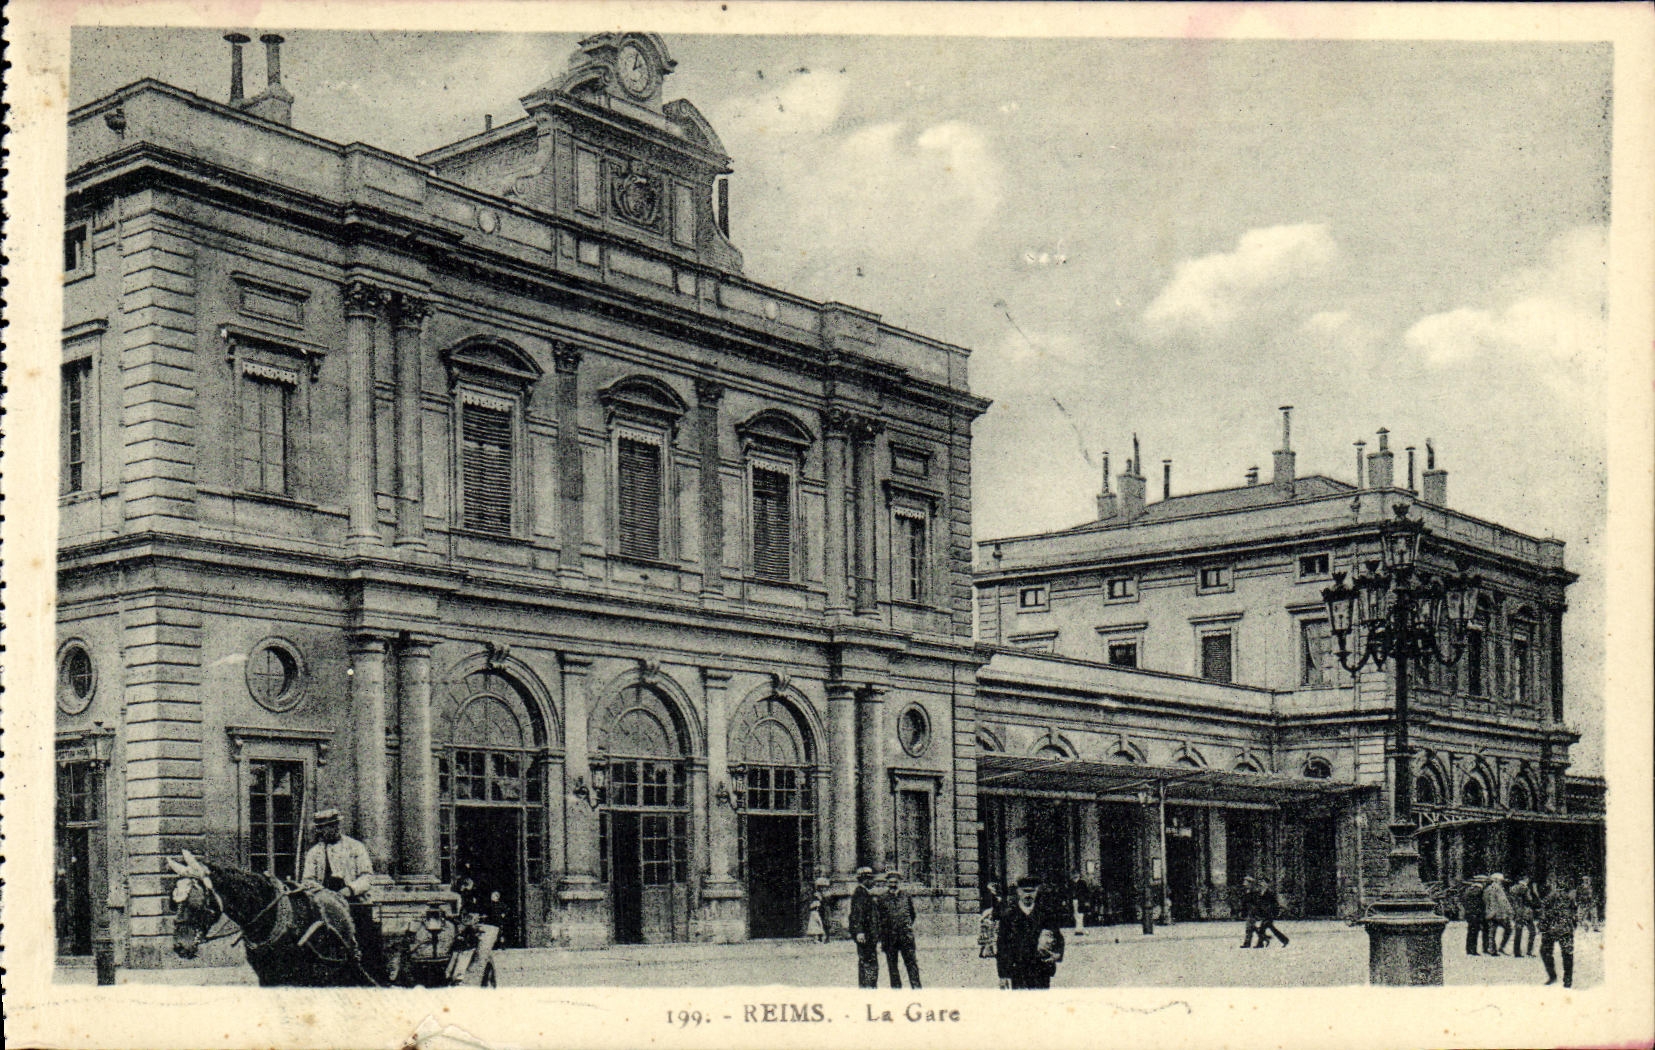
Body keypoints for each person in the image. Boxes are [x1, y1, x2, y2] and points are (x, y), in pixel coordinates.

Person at [301, 808, 381, 971]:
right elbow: (307, 880)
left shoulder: (355, 847)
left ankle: (372, 971)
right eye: (327, 826)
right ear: (320, 830)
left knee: (368, 938)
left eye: (335, 825)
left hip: (354, 902)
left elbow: (367, 877)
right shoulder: (314, 853)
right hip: (325, 903)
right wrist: (323, 893)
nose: (333, 829)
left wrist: (350, 890)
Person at [997, 875, 1064, 989]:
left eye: (1032, 891)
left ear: (1037, 891)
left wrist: (1057, 954)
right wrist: (1002, 975)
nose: (1028, 895)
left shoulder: (1045, 914)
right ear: (1018, 892)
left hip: (1041, 970)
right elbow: (1002, 946)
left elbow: (1058, 937)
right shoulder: (1009, 916)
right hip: (1018, 970)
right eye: (1025, 891)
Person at [877, 871, 922, 988]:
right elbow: (879, 918)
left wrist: (905, 927)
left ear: (899, 883)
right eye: (890, 882)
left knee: (911, 963)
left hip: (905, 936)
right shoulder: (882, 898)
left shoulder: (906, 896)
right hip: (889, 937)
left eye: (895, 882)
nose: (893, 885)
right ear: (887, 883)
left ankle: (916, 987)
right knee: (892, 965)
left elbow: (912, 915)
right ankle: (896, 989)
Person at [1538, 874, 1578, 987]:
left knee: (1549, 951)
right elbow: (1574, 912)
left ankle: (1555, 977)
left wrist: (1542, 925)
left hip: (1554, 927)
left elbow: (1545, 911)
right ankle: (1567, 979)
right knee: (1566, 953)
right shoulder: (1568, 896)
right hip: (1562, 928)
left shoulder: (1554, 895)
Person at [848, 867, 880, 989]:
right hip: (866, 935)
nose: (873, 882)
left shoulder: (864, 892)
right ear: (865, 880)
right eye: (871, 879)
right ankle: (868, 986)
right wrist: (859, 931)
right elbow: (858, 914)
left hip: (868, 934)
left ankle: (866, 985)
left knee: (867, 960)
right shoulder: (861, 893)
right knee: (868, 961)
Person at [1482, 873, 1513, 956]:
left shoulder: (1487, 888)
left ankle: (1492, 949)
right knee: (1508, 929)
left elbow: (1485, 900)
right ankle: (1501, 947)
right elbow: (1503, 901)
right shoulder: (1498, 888)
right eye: (1501, 880)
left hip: (1490, 913)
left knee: (1492, 932)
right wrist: (1509, 910)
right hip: (1499, 913)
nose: (1502, 882)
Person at [1252, 878, 1290, 948]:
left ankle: (1261, 943)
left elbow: (1274, 904)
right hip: (1264, 913)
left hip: (1269, 913)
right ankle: (1284, 940)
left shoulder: (1269, 893)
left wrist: (1274, 912)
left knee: (1263, 928)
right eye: (1261, 882)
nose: (1261, 884)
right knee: (1268, 928)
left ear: (1267, 884)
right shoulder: (1260, 893)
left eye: (1263, 882)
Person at [1509, 876, 1539, 958]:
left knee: (1518, 932)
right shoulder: (1525, 889)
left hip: (1518, 913)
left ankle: (1516, 951)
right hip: (1526, 913)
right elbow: (1530, 900)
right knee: (1532, 931)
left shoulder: (1512, 889)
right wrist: (1535, 893)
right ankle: (1529, 951)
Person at [1238, 876, 1269, 948]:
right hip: (1249, 911)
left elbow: (1256, 902)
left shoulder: (1254, 892)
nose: (1244, 884)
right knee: (1251, 927)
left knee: (1249, 927)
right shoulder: (1246, 891)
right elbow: (1244, 903)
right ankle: (1263, 938)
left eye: (1246, 882)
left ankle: (1247, 943)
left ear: (1250, 883)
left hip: (1253, 911)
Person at [1460, 874, 1487, 956]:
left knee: (1471, 931)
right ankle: (1472, 950)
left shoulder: (1469, 889)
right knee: (1474, 931)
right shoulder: (1478, 890)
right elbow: (1481, 902)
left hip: (1470, 913)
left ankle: (1469, 949)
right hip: (1475, 913)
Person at [977, 883, 1002, 960]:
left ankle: (987, 952)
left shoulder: (996, 898)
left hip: (991, 917)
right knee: (991, 936)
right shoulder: (995, 898)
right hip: (991, 918)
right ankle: (992, 952)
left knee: (988, 936)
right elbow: (992, 909)